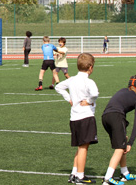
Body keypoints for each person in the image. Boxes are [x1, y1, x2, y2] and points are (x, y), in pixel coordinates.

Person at [55, 53, 99, 184]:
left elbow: (58, 87)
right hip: (86, 117)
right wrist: (90, 101)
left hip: (74, 117)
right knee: (84, 148)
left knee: (81, 146)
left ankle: (74, 173)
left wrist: (69, 99)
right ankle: (80, 176)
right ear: (90, 67)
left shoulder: (72, 79)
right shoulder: (88, 81)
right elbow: (95, 93)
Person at [100, 76, 136, 185]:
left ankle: (125, 173)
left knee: (121, 143)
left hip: (105, 117)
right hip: (116, 116)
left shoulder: (123, 90)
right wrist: (130, 142)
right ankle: (107, 179)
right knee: (121, 148)